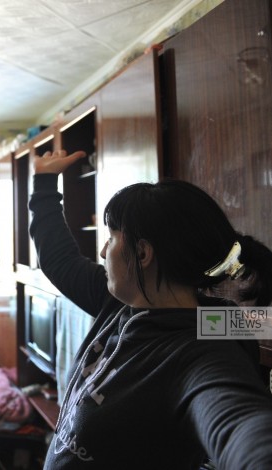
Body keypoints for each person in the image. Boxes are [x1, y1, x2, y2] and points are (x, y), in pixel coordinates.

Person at [30, 149, 272, 469]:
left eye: (111, 238)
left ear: (142, 253)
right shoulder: (119, 303)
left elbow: (239, 422)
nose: (102, 252)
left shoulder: (202, 348)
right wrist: (45, 182)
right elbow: (59, 260)